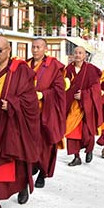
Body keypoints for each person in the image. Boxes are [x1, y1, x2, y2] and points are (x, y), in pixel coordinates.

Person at [0, 36, 41, 208]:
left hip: (12, 123)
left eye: (0, 50)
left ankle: (18, 188)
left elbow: (30, 99)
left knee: (14, 157)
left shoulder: (20, 70)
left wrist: (13, 104)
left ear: (9, 50)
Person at [27, 38, 66, 188]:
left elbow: (59, 90)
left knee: (46, 144)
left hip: (47, 112)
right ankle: (33, 165)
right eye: (33, 47)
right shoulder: (26, 65)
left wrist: (44, 95)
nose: (35, 50)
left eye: (38, 47)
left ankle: (42, 173)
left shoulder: (54, 66)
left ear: (45, 49)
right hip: (29, 113)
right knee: (30, 142)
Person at [64, 46, 103, 166]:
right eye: (75, 52)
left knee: (87, 132)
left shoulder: (91, 69)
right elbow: (63, 86)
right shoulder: (68, 69)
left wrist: (84, 95)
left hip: (86, 107)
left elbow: (96, 88)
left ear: (85, 55)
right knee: (71, 131)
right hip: (71, 105)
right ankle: (76, 157)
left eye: (80, 53)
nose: (77, 55)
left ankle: (89, 149)